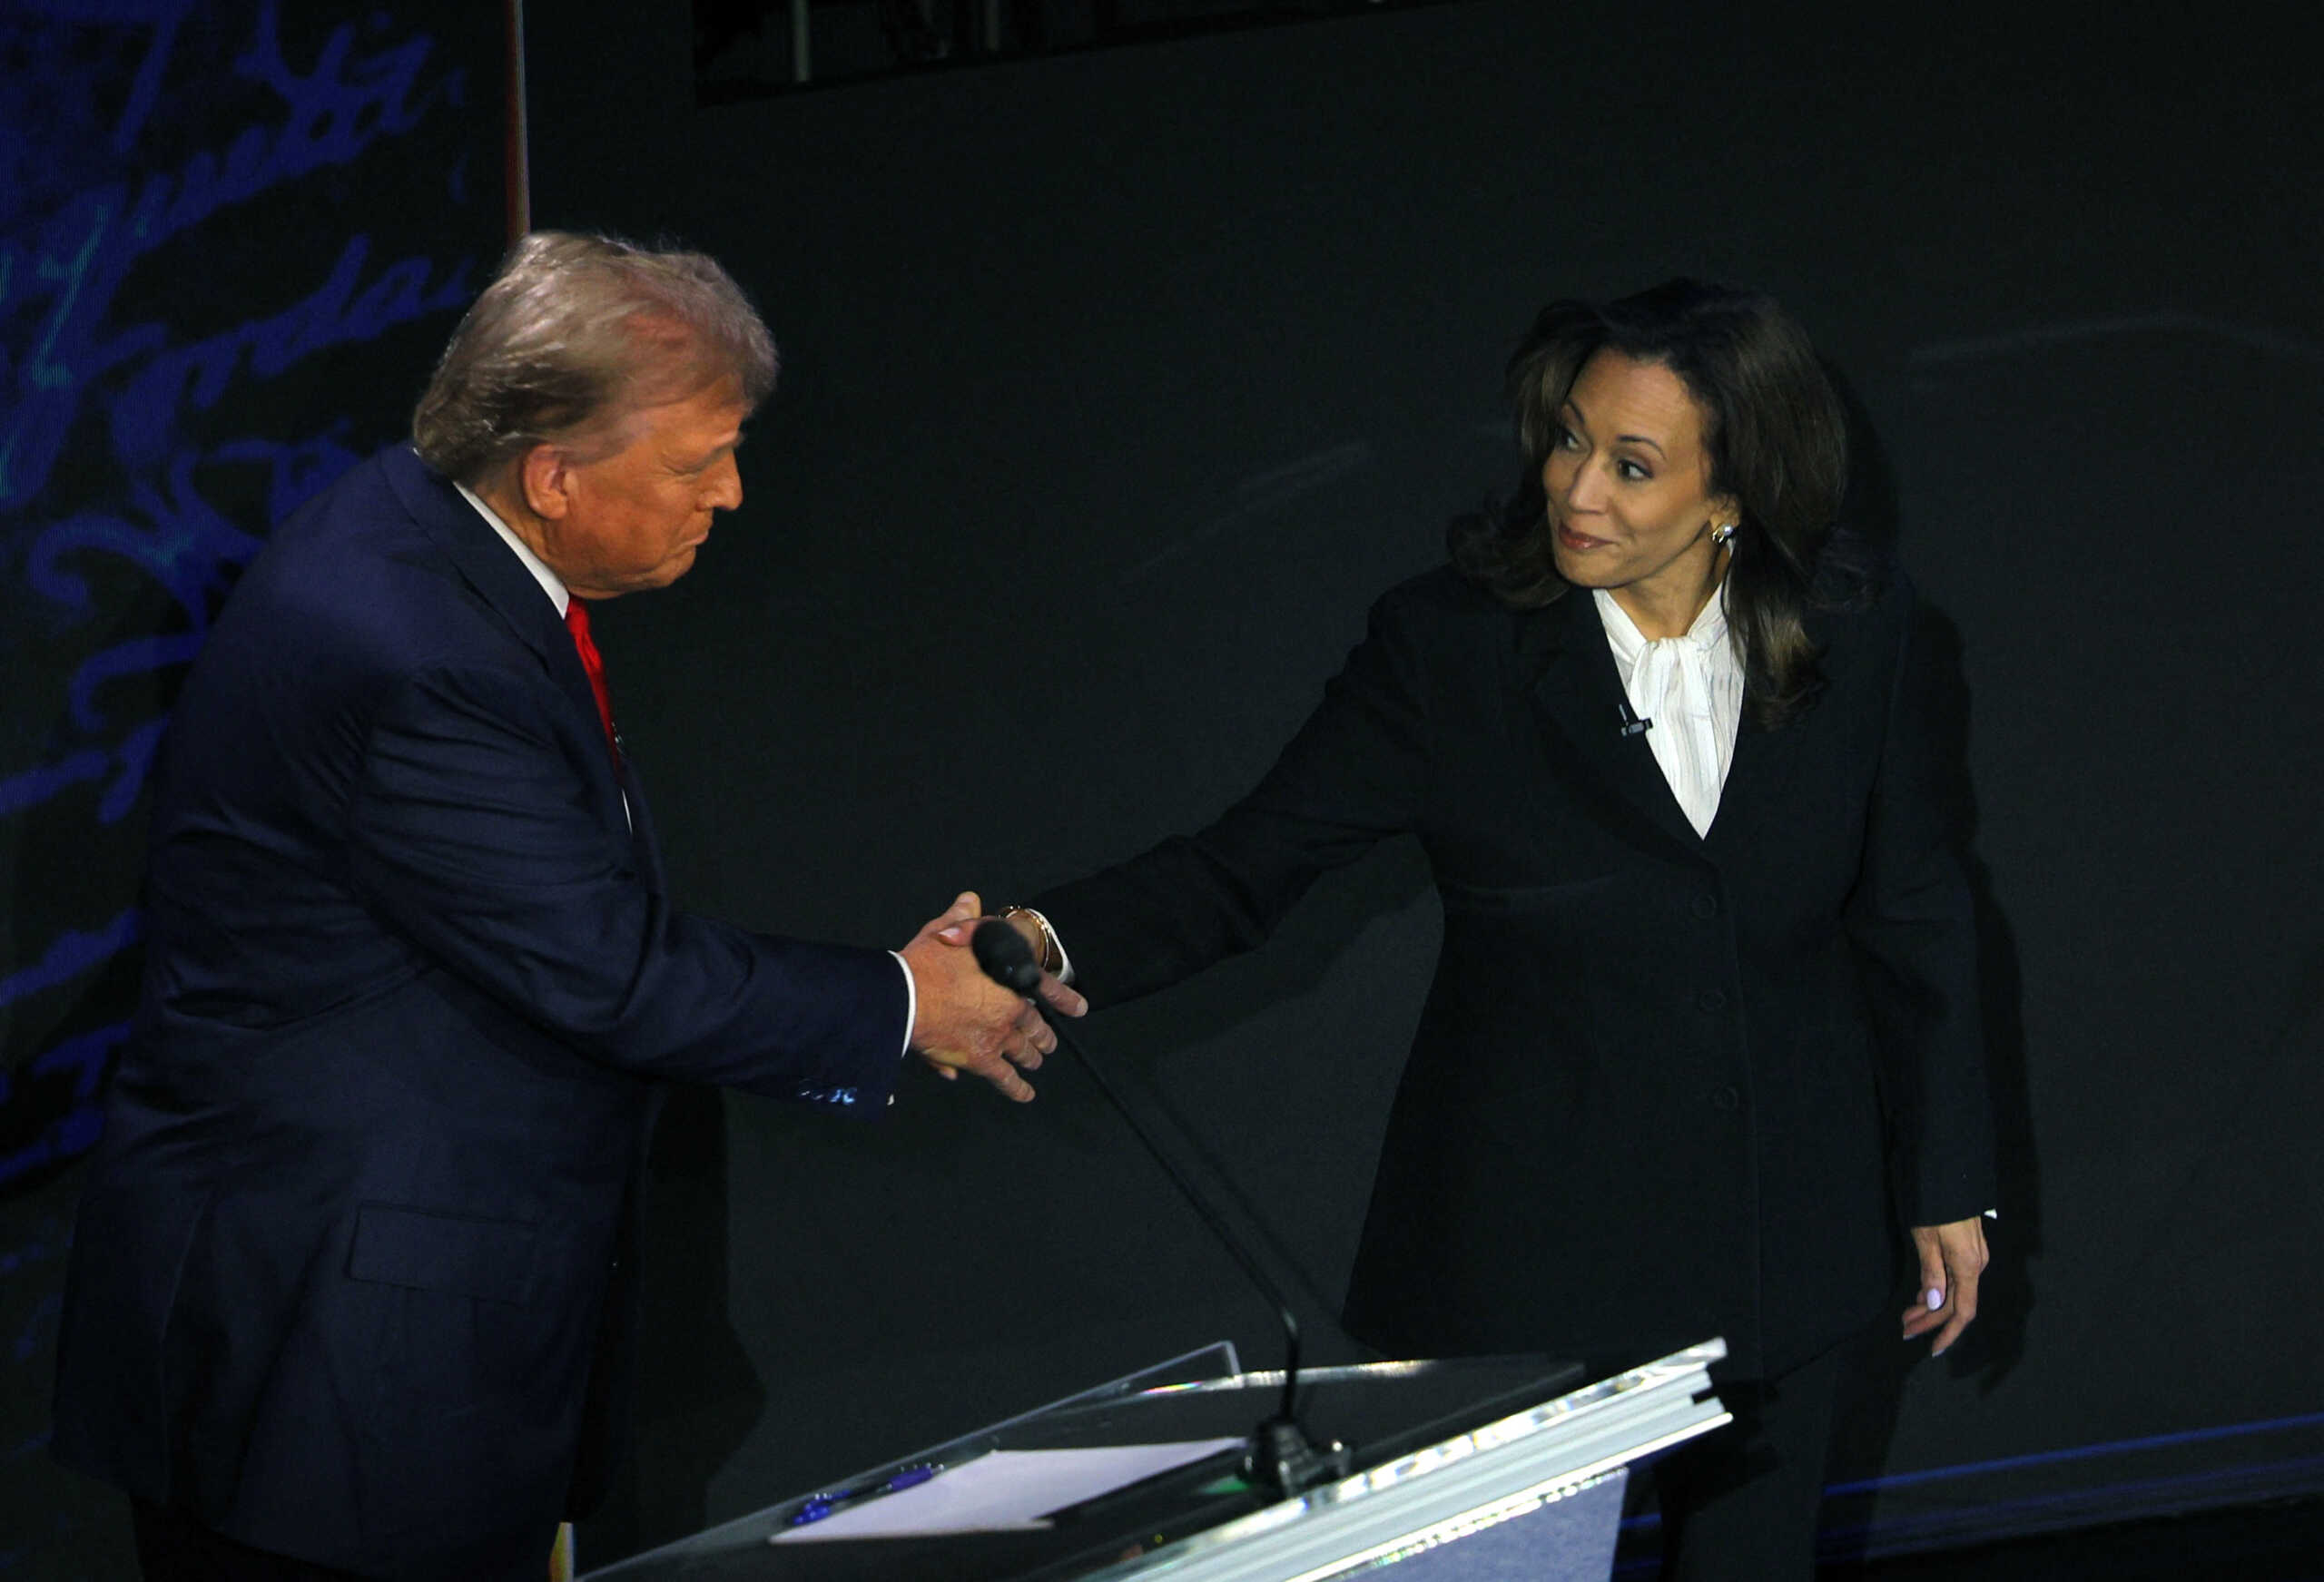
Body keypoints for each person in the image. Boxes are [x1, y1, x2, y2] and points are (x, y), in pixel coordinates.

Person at [50, 231, 1082, 1581]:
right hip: (332, 1370)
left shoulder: (427, 542)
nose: (731, 494)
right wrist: (903, 1002)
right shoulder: (415, 651)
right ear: (552, 473)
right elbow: (612, 971)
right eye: (694, 462)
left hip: (362, 1333)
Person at [1001, 280, 1994, 1579]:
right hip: (1520, 1266)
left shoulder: (1861, 628)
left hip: (1785, 1247)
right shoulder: (1449, 651)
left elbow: (1916, 909)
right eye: (1568, 438)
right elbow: (1249, 866)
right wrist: (1043, 937)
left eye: (1632, 465)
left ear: (1734, 489)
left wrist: (1944, 1183)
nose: (1574, 491)